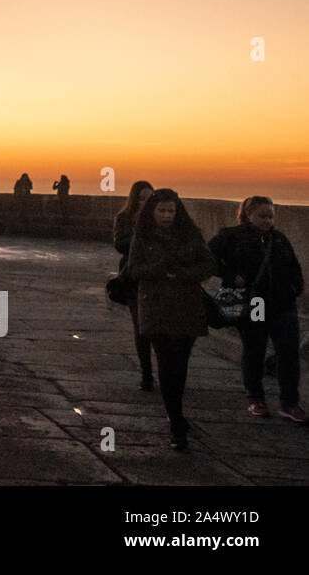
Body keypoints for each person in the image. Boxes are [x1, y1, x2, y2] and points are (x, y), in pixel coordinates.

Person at [124, 188, 216, 450]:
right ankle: (176, 421)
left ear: (178, 212)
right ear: (152, 212)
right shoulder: (142, 236)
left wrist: (184, 274)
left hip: (186, 305)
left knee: (180, 364)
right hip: (156, 307)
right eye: (162, 211)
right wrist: (161, 269)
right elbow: (133, 269)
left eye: (171, 211)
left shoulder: (190, 234)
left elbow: (209, 265)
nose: (166, 216)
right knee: (166, 363)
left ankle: (176, 414)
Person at [209, 196, 305, 423]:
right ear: (248, 214)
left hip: (283, 305)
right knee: (255, 351)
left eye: (271, 216)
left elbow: (294, 267)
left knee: (289, 354)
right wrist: (230, 276)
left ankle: (290, 403)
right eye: (262, 216)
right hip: (254, 304)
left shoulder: (279, 239)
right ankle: (256, 398)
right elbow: (206, 258)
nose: (267, 221)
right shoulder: (231, 237)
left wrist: (294, 288)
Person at [114, 180, 155, 390]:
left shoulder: (162, 218)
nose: (146, 202)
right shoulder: (125, 218)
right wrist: (140, 237)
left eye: (149, 198)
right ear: (134, 199)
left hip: (157, 279)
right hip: (133, 279)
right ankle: (146, 374)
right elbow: (119, 244)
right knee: (141, 328)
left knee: (159, 329)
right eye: (141, 198)